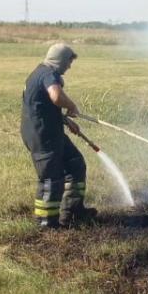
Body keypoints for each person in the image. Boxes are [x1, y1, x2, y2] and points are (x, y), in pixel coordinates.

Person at [20, 43, 96, 229]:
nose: (69, 66)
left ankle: (73, 212)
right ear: (60, 60)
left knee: (75, 164)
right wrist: (71, 106)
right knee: (51, 179)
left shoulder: (39, 72)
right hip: (43, 135)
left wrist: (65, 120)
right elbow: (55, 96)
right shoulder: (48, 74)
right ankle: (46, 224)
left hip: (51, 130)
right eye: (68, 62)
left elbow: (42, 106)